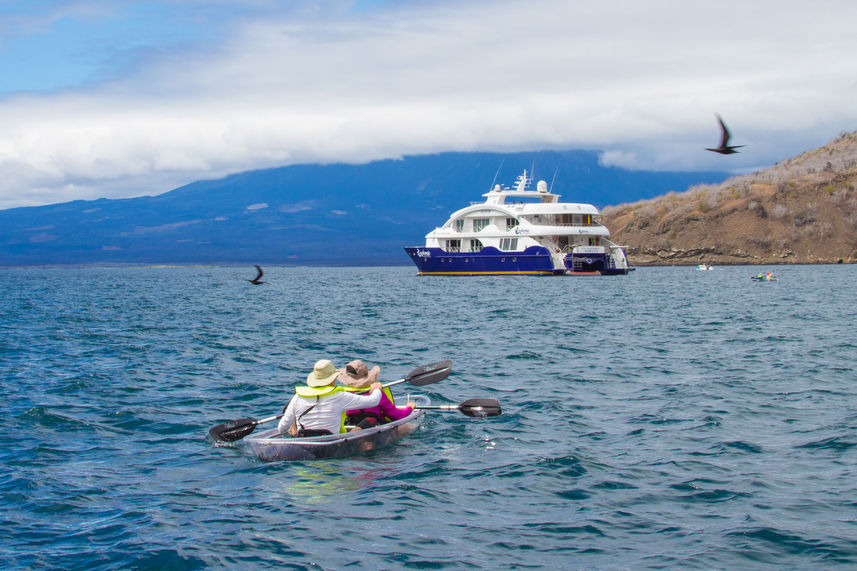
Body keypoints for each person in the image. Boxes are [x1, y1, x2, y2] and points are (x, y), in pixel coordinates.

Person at [277, 359, 383, 437]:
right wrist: (376, 388)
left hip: (304, 445)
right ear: (332, 380)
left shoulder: (297, 397)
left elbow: (281, 428)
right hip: (331, 445)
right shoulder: (339, 396)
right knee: (370, 420)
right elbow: (374, 401)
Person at [339, 359, 415, 429]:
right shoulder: (377, 393)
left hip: (350, 426)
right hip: (374, 428)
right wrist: (409, 408)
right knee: (405, 427)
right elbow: (396, 416)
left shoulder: (343, 394)